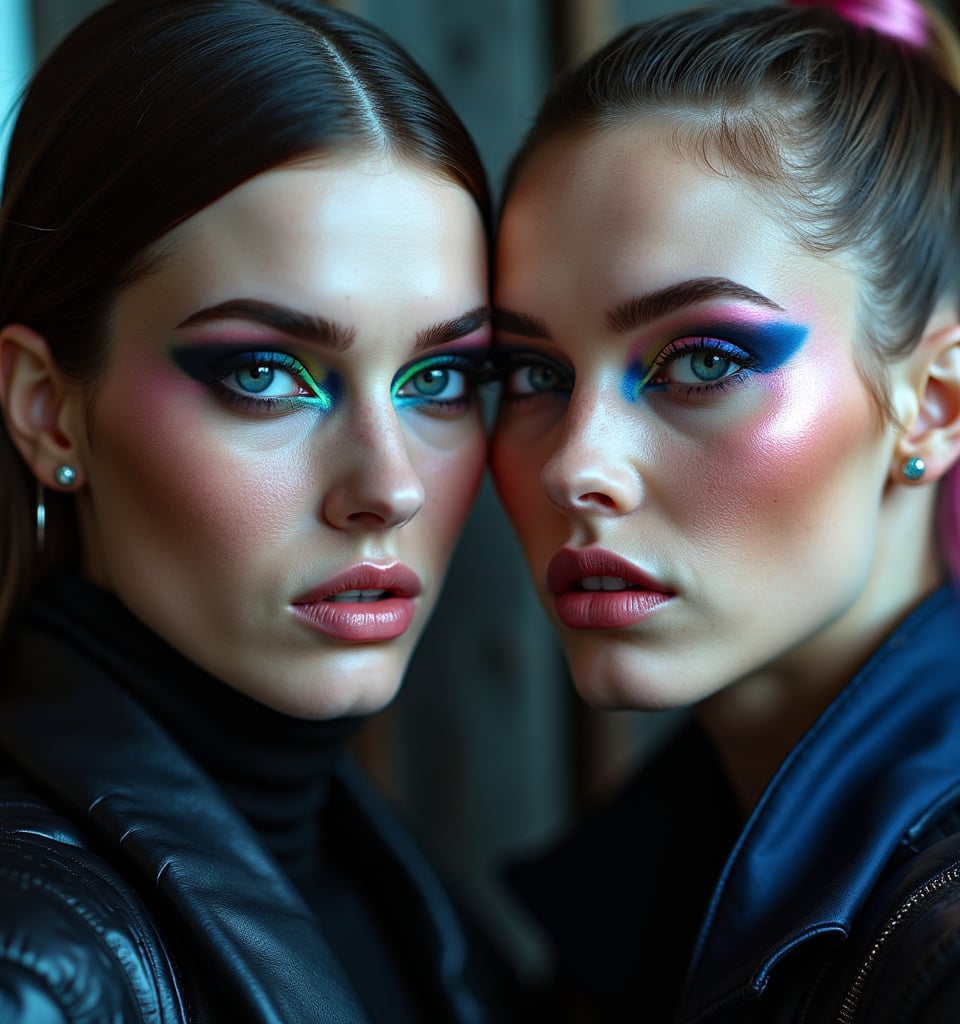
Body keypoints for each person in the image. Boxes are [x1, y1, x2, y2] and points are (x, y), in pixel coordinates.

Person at [0, 2, 520, 1021]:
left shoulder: (382, 875)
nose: (391, 484)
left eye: (441, 377)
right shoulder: (35, 972)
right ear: (48, 410)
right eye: (269, 373)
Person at [491, 0, 960, 1020]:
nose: (578, 465)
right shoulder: (659, 874)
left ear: (932, 406)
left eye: (701, 359)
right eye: (532, 372)